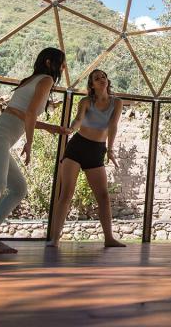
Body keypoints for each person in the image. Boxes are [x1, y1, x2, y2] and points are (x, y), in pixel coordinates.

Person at [0, 48, 69, 254]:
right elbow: (28, 114)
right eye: (62, 62)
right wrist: (29, 142)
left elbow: (22, 115)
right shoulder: (46, 80)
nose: (64, 67)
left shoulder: (32, 79)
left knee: (18, 188)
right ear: (49, 62)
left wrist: (50, 127)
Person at [47, 69, 125, 248]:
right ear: (92, 84)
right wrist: (71, 129)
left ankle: (109, 238)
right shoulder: (86, 101)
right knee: (66, 193)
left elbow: (113, 126)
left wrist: (110, 149)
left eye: (103, 77)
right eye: (97, 79)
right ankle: (54, 239)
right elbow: (78, 119)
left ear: (107, 80)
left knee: (103, 196)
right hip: (77, 147)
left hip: (96, 150)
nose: (101, 80)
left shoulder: (117, 102)